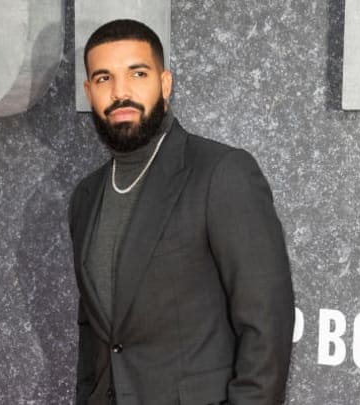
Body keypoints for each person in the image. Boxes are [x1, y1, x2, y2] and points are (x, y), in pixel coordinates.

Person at [68, 19, 294, 405]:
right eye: (104, 79)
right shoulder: (86, 196)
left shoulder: (221, 172)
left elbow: (266, 326)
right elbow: (95, 332)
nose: (120, 92)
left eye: (137, 73)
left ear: (165, 83)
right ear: (90, 91)